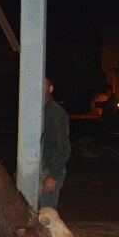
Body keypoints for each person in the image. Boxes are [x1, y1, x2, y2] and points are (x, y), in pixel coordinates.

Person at [40, 76, 71, 209]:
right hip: (40, 169)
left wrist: (52, 176)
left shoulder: (55, 113)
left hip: (49, 170)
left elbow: (62, 147)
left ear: (50, 89)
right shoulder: (38, 111)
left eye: (43, 86)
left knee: (47, 213)